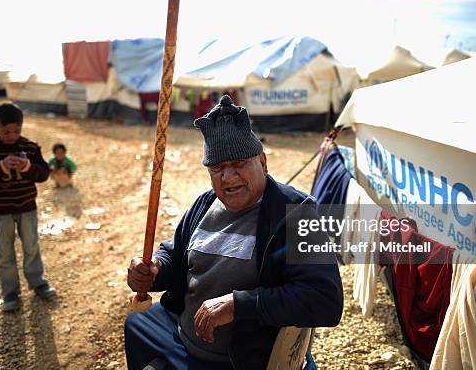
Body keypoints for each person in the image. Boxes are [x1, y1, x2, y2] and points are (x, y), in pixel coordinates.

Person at [124, 96, 343, 369]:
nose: (227, 177)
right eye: (217, 168)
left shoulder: (296, 213)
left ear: (262, 162)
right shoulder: (205, 203)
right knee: (137, 322)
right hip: (182, 336)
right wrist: (153, 269)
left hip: (240, 357)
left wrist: (238, 305)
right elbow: (174, 254)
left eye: (239, 163)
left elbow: (325, 299)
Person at [0, 103, 56, 312]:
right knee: (4, 253)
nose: (11, 136)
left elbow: (44, 174)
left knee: (31, 247)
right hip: (0, 211)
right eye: (6, 131)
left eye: (16, 131)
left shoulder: (29, 147)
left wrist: (27, 167)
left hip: (27, 207)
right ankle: (10, 293)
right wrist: (0, 167)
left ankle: (38, 282)